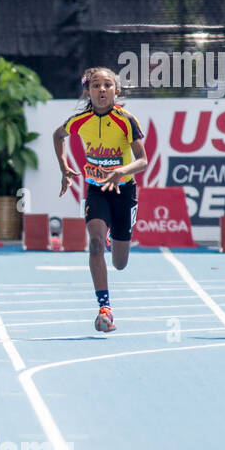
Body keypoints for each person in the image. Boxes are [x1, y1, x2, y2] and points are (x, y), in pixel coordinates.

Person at [53, 67, 147, 333]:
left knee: (120, 262)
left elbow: (143, 160)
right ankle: (104, 308)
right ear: (88, 91)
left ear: (116, 91)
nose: (102, 89)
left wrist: (122, 171)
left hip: (123, 192)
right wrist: (64, 167)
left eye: (108, 85)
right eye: (96, 85)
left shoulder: (127, 121)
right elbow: (58, 135)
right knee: (94, 244)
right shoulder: (79, 121)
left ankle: (112, 235)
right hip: (96, 191)